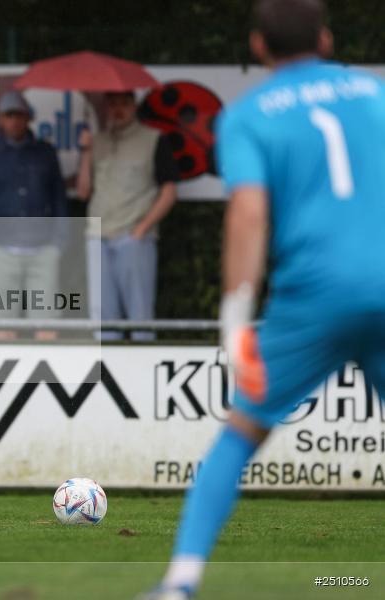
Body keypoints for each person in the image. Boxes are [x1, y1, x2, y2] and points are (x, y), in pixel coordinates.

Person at [146, 0, 385, 597]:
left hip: (315, 298)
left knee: (241, 431)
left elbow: (250, 213)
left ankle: (180, 584)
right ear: (327, 38)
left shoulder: (248, 116)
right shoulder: (373, 95)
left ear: (258, 46)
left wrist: (234, 320)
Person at [76, 91, 178, 340]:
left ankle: (141, 375)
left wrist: (142, 229)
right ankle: (106, 375)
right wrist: (86, 153)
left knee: (140, 316)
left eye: (124, 104)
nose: (118, 110)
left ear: (134, 107)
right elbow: (82, 192)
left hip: (133, 237)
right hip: (97, 237)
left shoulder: (154, 140)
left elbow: (170, 190)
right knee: (101, 320)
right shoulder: (96, 142)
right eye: (112, 104)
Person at [0, 90, 69, 328]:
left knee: (47, 326)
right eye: (9, 115)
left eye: (19, 114)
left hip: (43, 250)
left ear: (28, 118)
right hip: (1, 251)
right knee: (2, 326)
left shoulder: (46, 153)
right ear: (0, 119)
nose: (14, 120)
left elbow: (60, 202)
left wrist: (58, 245)